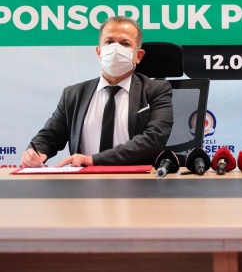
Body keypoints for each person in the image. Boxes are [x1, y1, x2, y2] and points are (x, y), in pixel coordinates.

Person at [21, 16, 173, 168]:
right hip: (83, 180)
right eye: (109, 42)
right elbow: (50, 136)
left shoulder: (156, 90)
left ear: (138, 56)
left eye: (125, 44)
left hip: (137, 179)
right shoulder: (73, 94)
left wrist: (94, 160)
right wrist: (35, 152)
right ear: (99, 52)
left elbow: (154, 140)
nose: (115, 49)